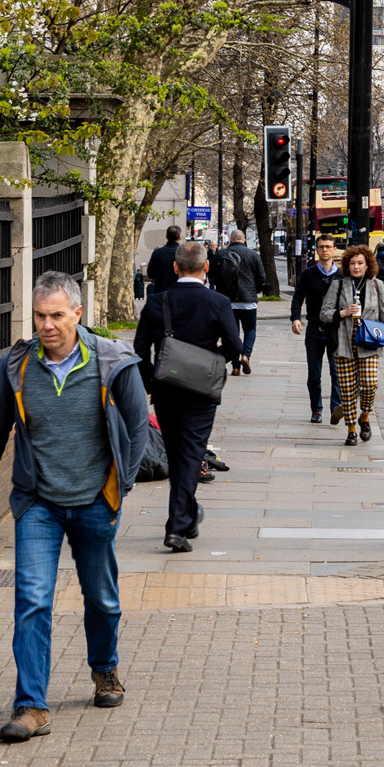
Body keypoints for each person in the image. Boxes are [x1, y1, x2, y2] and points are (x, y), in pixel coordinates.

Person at [0, 270, 151, 744]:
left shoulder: (112, 363)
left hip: (94, 500)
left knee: (101, 597)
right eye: (40, 316)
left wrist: (119, 485)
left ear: (78, 315)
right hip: (37, 501)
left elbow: (138, 426)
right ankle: (31, 706)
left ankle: (104, 668)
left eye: (57, 315)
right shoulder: (17, 367)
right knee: (32, 601)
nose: (47, 325)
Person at [134, 238, 242, 552]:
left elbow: (139, 352)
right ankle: (177, 527)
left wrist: (151, 383)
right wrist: (216, 360)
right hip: (201, 393)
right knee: (190, 455)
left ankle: (189, 515)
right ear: (206, 266)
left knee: (180, 455)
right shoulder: (218, 303)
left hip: (166, 391)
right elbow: (235, 346)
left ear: (175, 266)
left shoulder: (156, 302)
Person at [319, 245, 384, 446]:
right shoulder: (338, 285)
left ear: (367, 265)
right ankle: (351, 430)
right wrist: (344, 313)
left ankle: (364, 417)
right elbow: (324, 313)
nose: (356, 267)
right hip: (344, 344)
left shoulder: (377, 285)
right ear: (346, 265)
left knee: (369, 384)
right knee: (347, 390)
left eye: (360, 263)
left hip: (370, 342)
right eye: (352, 263)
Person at [291, 235, 343, 422]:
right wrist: (295, 318)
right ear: (316, 250)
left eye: (328, 247)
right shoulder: (308, 274)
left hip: (336, 331)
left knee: (336, 373)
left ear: (334, 249)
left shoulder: (342, 275)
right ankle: (316, 410)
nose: (325, 250)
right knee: (314, 374)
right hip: (314, 330)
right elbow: (298, 298)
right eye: (321, 247)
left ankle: (336, 408)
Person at [211, 227, 267, 375]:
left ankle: (235, 366)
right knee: (250, 329)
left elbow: (213, 276)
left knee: (231, 333)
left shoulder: (221, 254)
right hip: (248, 300)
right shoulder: (252, 254)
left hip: (226, 301)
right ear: (244, 240)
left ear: (230, 240)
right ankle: (246, 355)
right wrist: (255, 290)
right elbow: (262, 276)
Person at [144, 224, 182, 294]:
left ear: (166, 236)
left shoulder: (157, 253)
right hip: (179, 292)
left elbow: (151, 274)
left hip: (160, 291)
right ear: (180, 237)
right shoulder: (184, 253)